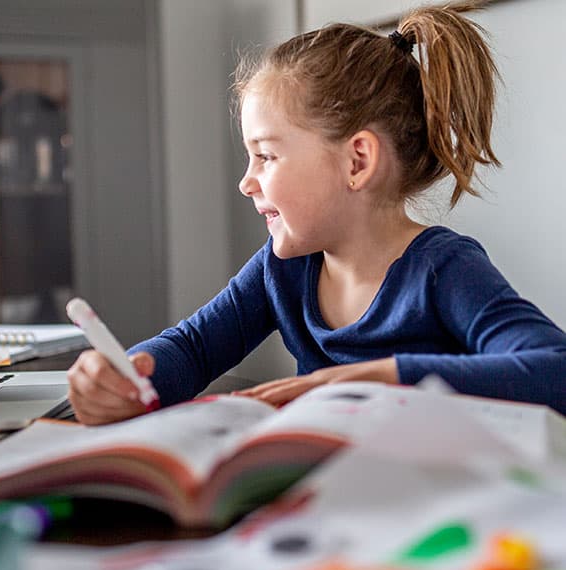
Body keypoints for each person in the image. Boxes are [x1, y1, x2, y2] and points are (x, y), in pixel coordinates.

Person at [67, 2, 566, 425]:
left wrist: (380, 377)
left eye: (265, 155)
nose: (247, 181)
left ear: (357, 161)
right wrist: (126, 377)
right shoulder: (282, 269)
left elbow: (554, 369)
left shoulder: (442, 269)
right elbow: (192, 349)